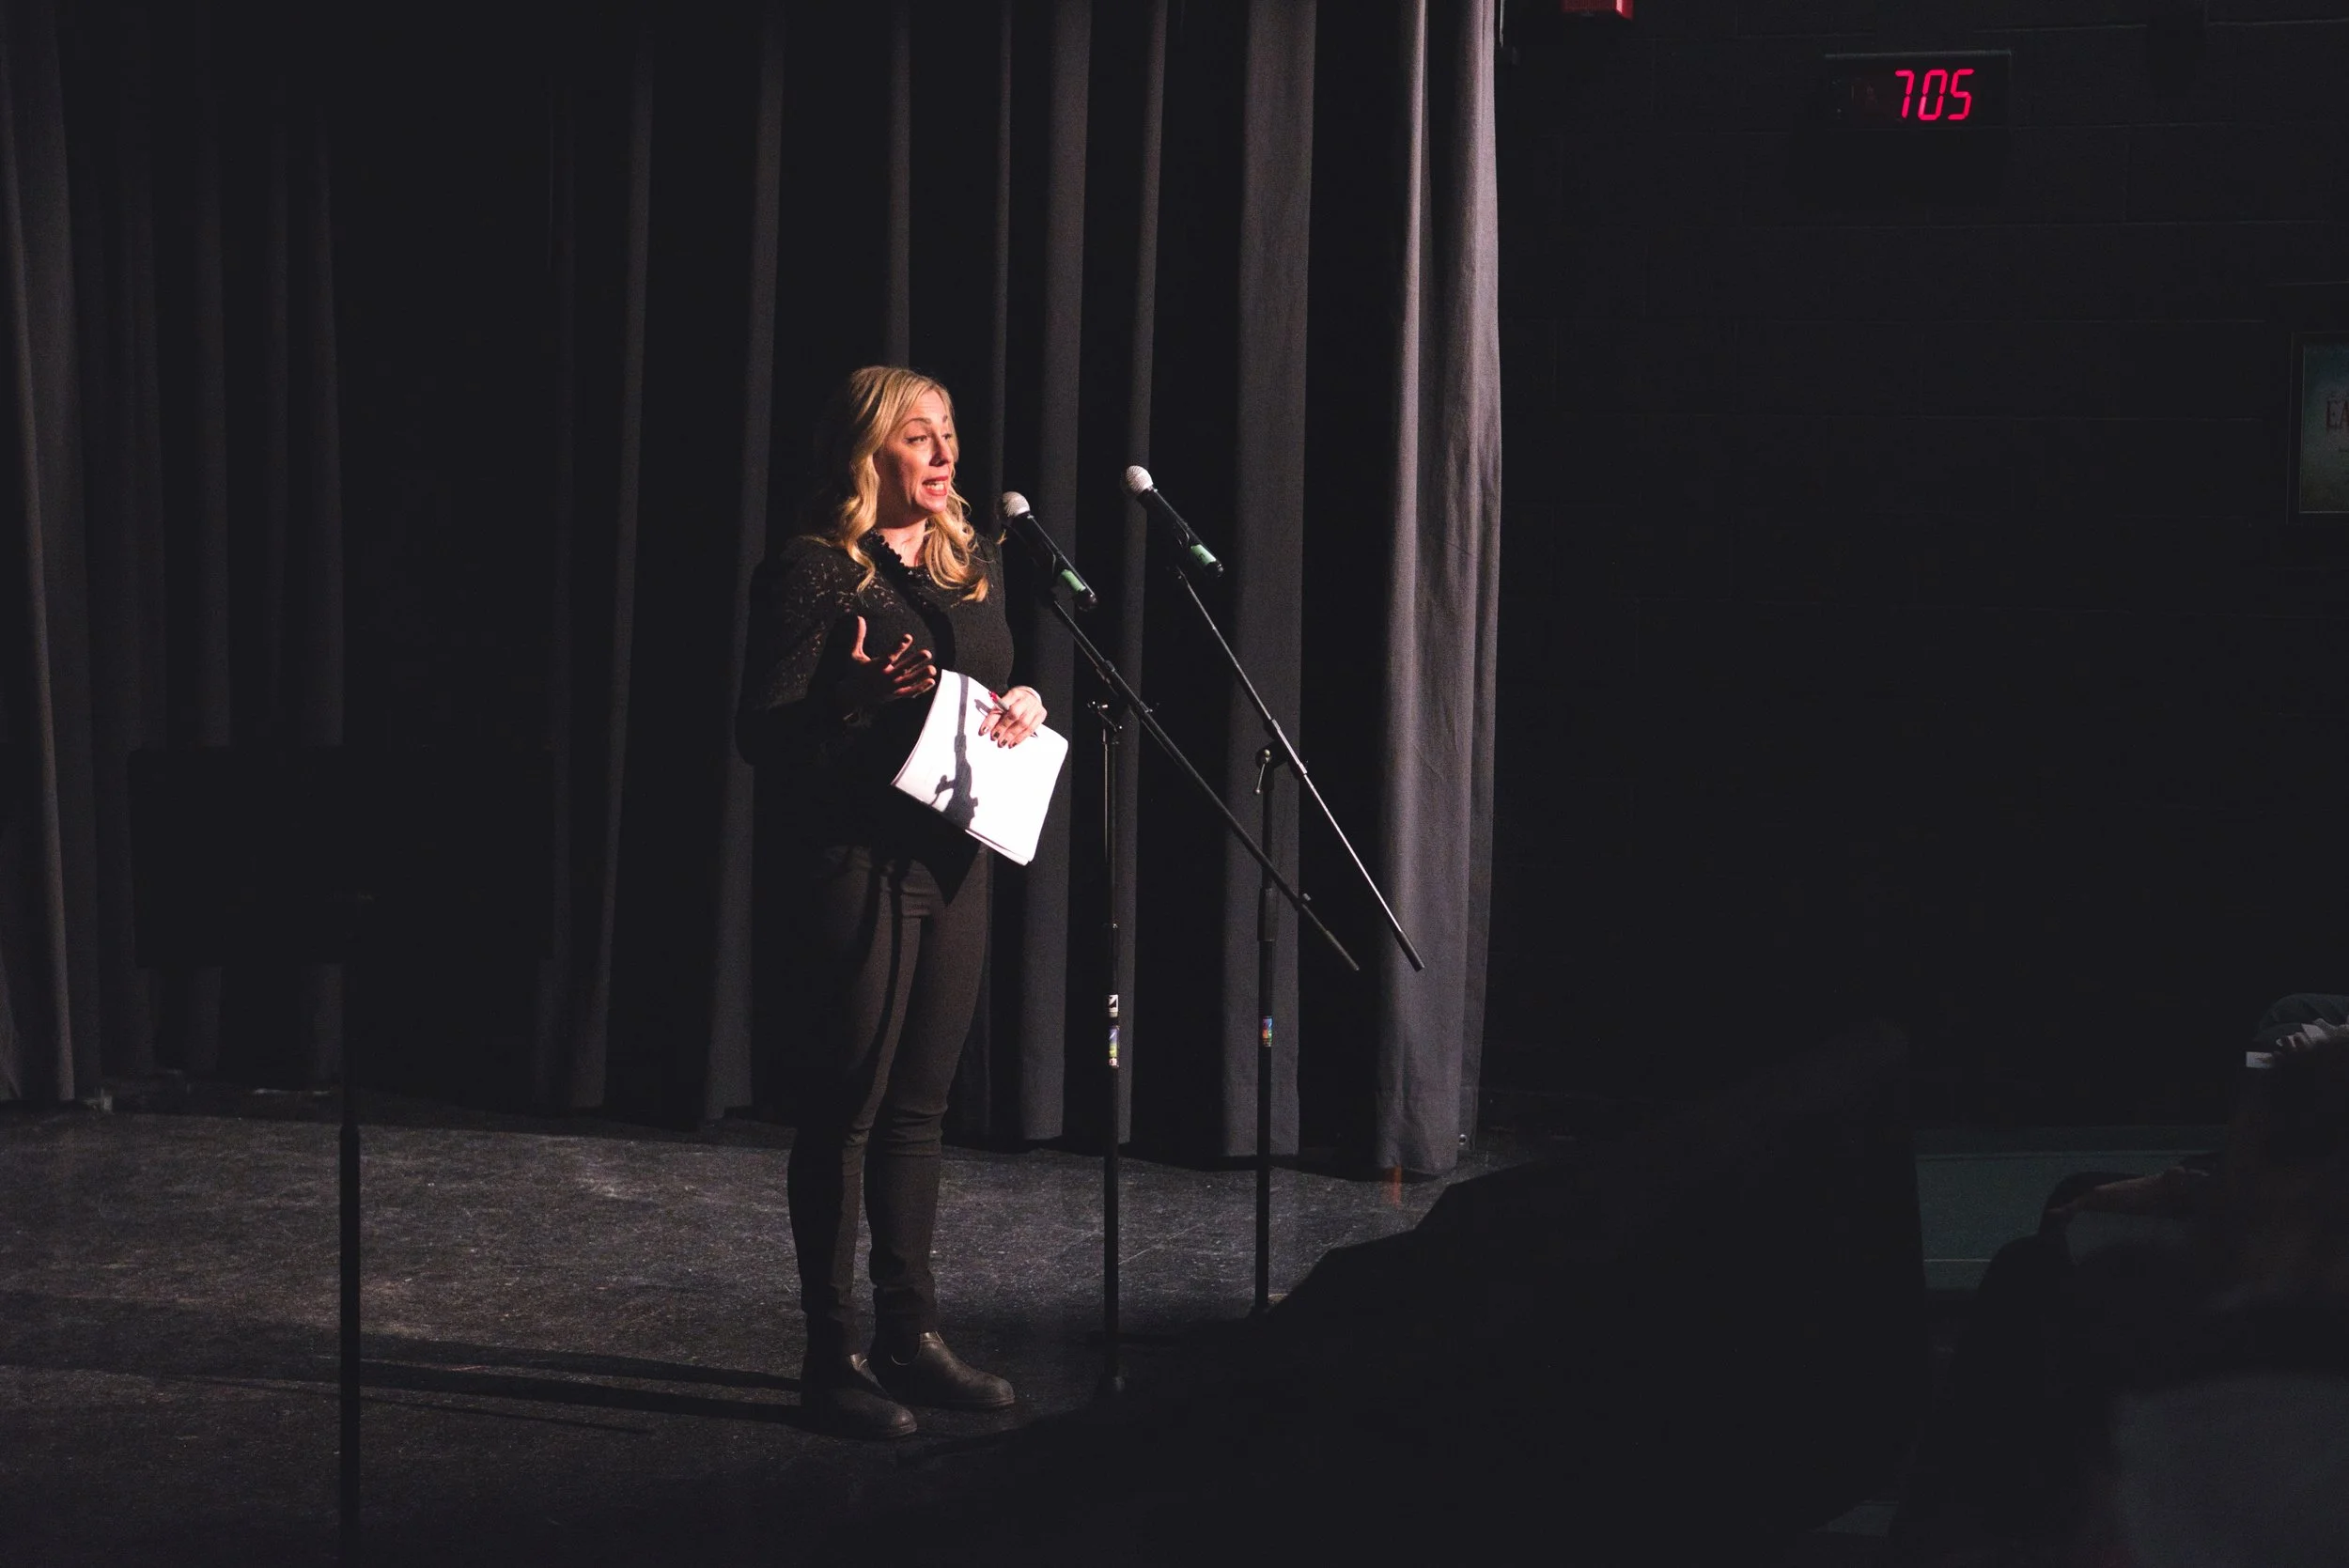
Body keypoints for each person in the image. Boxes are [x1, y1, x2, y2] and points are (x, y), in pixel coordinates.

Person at [736, 365, 1048, 1439]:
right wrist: (847, 701)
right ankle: (832, 1357)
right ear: (868, 450)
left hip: (952, 861)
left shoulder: (971, 561)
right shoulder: (816, 572)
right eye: (920, 435)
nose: (945, 451)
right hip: (851, 863)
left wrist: (1024, 700)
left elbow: (989, 679)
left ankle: (911, 1337)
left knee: (918, 1109)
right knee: (845, 1110)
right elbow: (760, 735)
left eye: (949, 431)